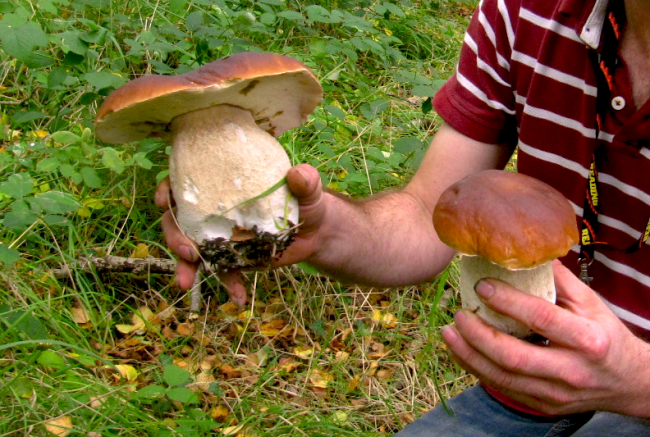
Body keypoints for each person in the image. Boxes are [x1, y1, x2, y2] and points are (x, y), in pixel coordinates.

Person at [156, 0, 650, 434]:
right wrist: (325, 229)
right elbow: (425, 214)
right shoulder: (522, 12)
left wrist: (635, 381)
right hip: (532, 382)